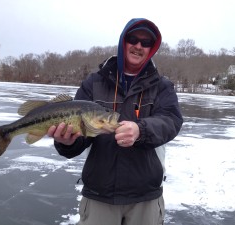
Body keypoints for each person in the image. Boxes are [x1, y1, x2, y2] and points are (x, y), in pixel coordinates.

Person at [47, 18, 183, 225]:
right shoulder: (94, 83)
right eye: (133, 39)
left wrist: (141, 130)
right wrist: (68, 142)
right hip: (99, 194)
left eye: (145, 42)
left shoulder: (162, 86)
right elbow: (80, 135)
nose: (138, 46)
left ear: (151, 49)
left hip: (145, 196)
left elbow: (171, 121)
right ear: (123, 41)